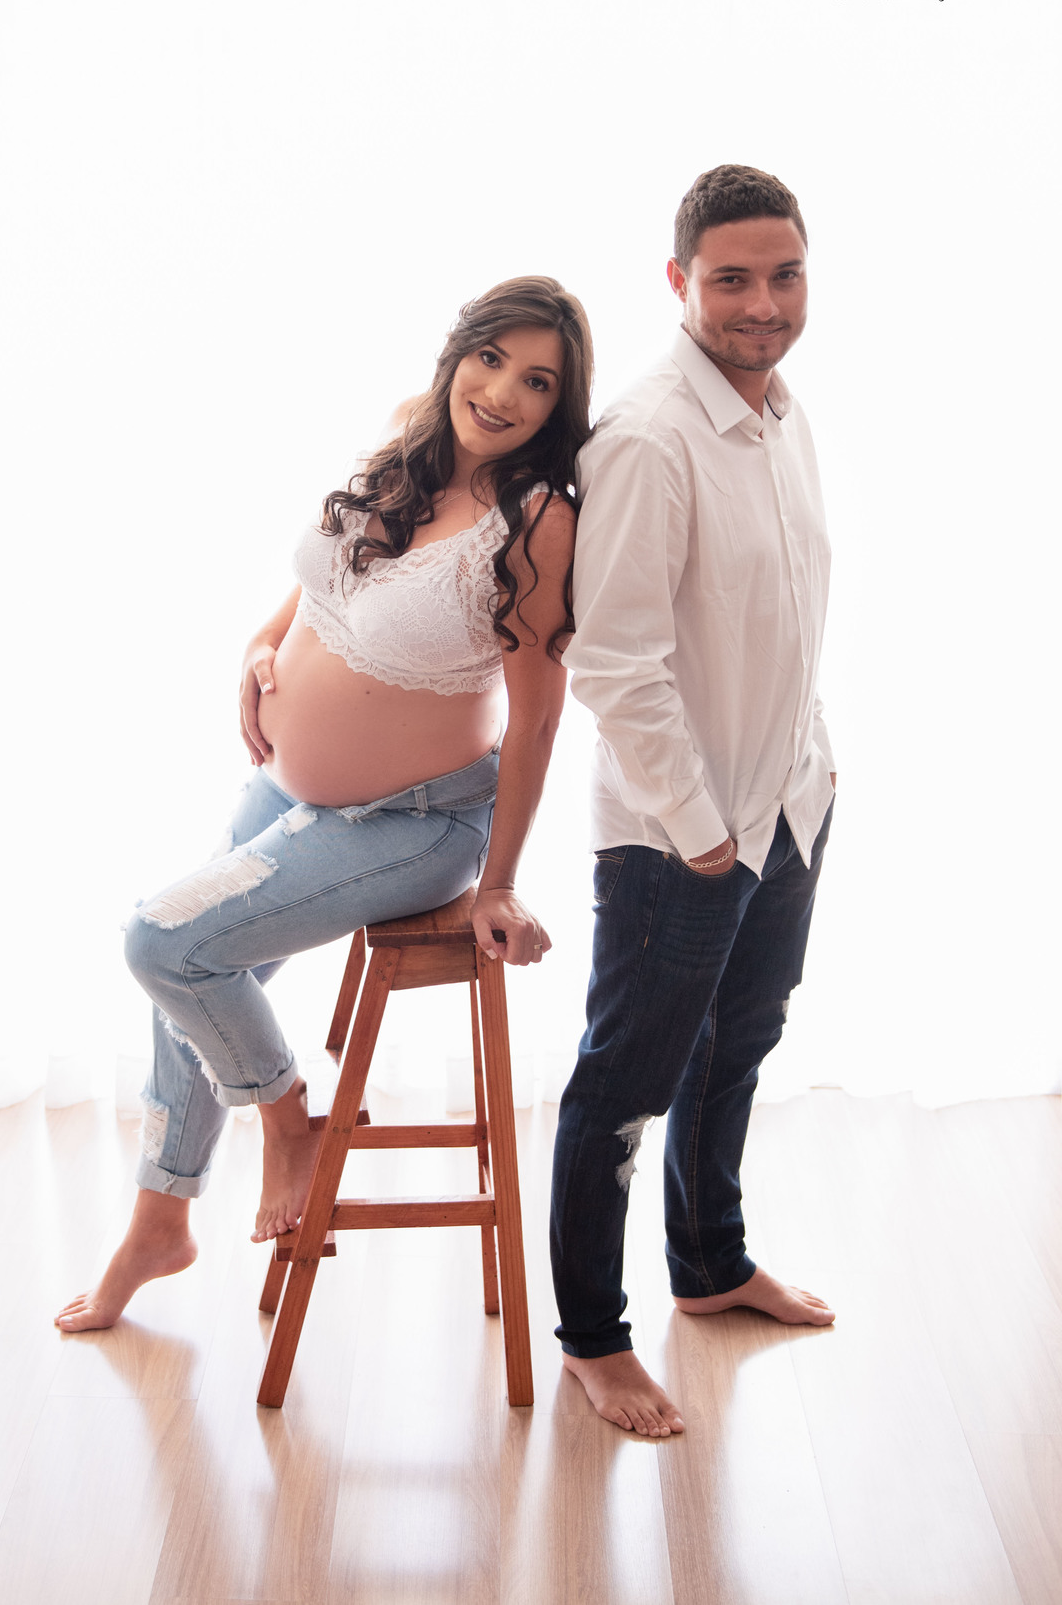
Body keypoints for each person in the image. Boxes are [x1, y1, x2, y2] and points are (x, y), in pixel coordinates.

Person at [55, 275, 593, 1334]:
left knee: (164, 943)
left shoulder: (538, 523)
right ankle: (159, 1224)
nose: (502, 394)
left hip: (414, 822)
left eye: (537, 382)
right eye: (492, 359)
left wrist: (500, 884)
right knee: (193, 978)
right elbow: (323, 583)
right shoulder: (406, 442)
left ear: (557, 406)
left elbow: (535, 722)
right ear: (459, 353)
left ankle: (287, 1115)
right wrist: (260, 648)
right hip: (283, 787)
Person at [550, 166, 837, 1437]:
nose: (762, 303)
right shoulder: (649, 437)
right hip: (683, 839)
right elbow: (613, 663)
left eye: (785, 274)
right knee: (625, 1087)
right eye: (732, 279)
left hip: (788, 809)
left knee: (739, 1048)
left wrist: (810, 772)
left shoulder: (781, 413)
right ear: (680, 281)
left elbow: (782, 618)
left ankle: (711, 1264)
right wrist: (705, 834)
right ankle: (593, 1337)